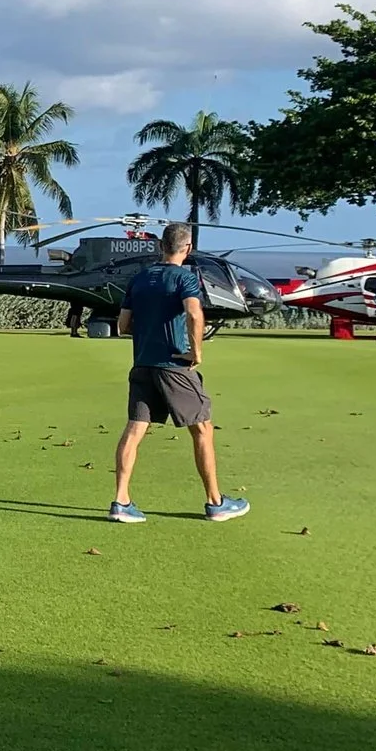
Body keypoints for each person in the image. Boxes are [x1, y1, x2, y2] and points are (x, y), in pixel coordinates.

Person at [109, 222, 247, 524]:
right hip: (173, 366)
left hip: (142, 363)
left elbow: (123, 326)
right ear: (187, 248)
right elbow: (195, 313)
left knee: (135, 429)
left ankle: (121, 502)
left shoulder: (140, 278)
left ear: (161, 246)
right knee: (202, 429)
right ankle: (216, 503)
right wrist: (196, 351)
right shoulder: (185, 277)